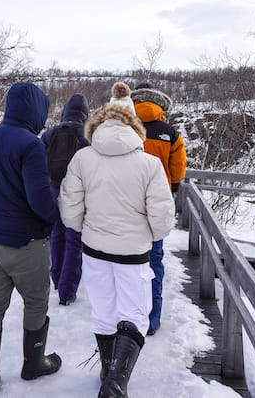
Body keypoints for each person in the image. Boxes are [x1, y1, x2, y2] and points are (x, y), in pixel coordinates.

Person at [59, 100, 175, 398]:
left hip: (94, 249)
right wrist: (148, 234)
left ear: (96, 128)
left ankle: (106, 370)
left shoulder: (82, 158)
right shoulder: (149, 163)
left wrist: (83, 227)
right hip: (134, 254)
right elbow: (162, 217)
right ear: (135, 130)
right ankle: (116, 382)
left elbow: (70, 207)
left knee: (103, 310)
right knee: (135, 314)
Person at [0, 82, 63, 398]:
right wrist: (54, 218)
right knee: (35, 301)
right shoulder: (30, 145)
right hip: (27, 242)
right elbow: (39, 199)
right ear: (34, 110)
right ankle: (34, 364)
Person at [131, 82, 187, 336]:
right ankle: (152, 319)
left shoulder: (124, 128)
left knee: (126, 262)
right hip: (156, 204)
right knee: (154, 260)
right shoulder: (170, 133)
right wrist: (171, 188)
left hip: (127, 204)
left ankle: (129, 315)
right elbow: (178, 169)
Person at [41, 93, 90, 305]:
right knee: (74, 239)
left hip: (52, 189)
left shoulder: (49, 134)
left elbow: (39, 163)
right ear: (85, 114)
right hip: (76, 193)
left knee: (56, 235)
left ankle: (57, 278)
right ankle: (67, 291)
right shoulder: (86, 135)